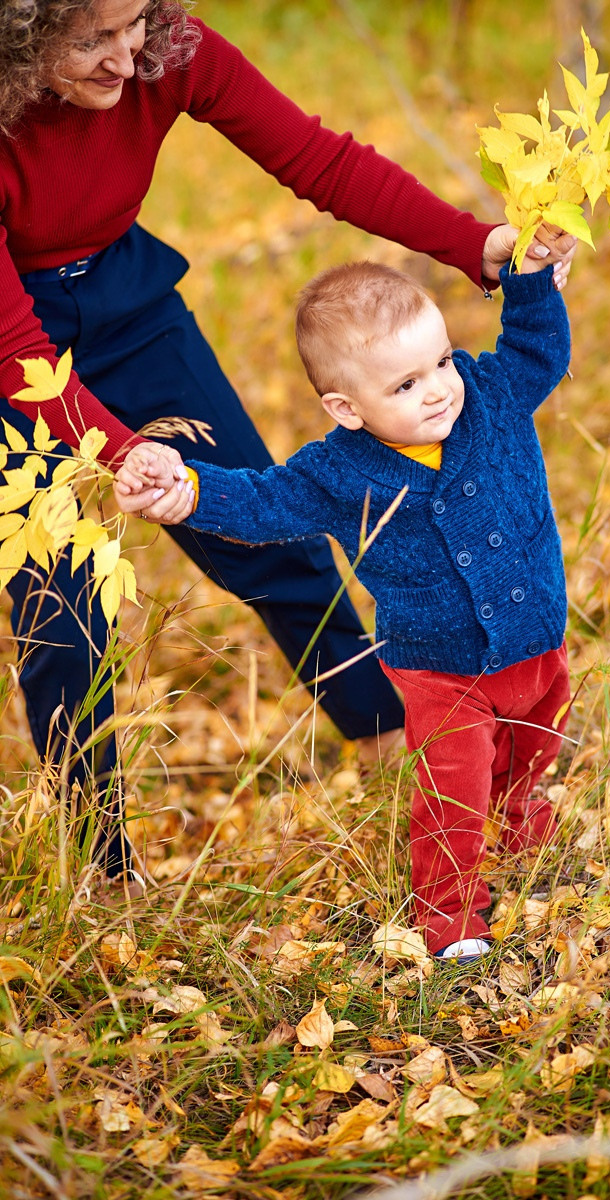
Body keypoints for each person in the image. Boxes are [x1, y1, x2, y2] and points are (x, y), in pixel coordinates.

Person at [0, 0, 574, 885]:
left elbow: (321, 162)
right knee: (65, 610)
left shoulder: (169, 50)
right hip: (18, 355)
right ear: (19, 34)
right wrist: (120, 457)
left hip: (132, 310)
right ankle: (102, 865)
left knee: (269, 526)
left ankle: (387, 735)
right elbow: (15, 350)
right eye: (90, 41)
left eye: (135, 24)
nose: (126, 59)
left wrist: (482, 246)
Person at [115, 254, 572, 962]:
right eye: (406, 384)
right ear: (346, 409)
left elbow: (537, 347)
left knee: (531, 747)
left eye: (441, 362)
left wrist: (529, 279)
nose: (437, 393)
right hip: (439, 668)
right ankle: (451, 918)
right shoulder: (338, 471)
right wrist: (194, 490)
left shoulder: (489, 395)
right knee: (454, 792)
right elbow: (265, 502)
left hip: (537, 636)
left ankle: (519, 823)